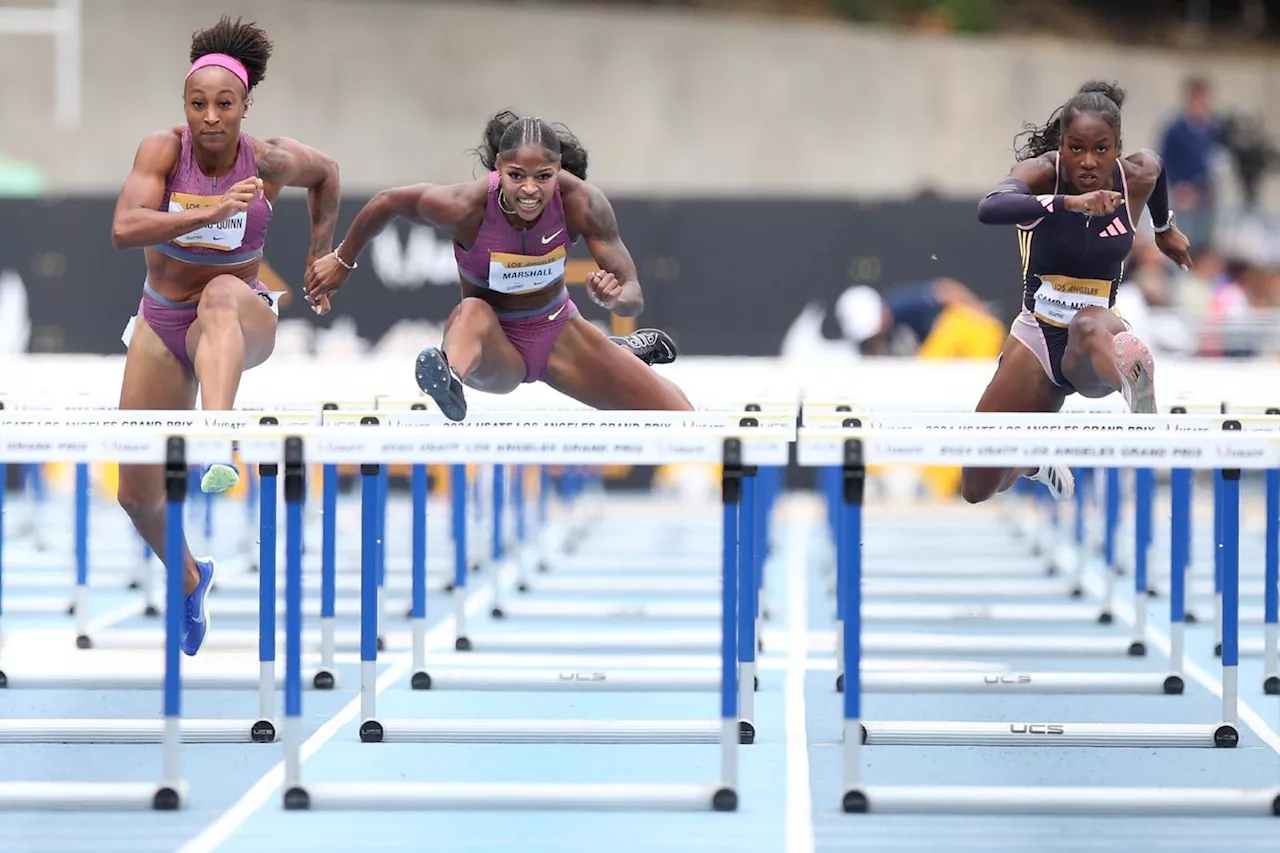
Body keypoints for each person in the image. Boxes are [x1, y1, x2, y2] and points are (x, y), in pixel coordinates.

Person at [110, 16, 340, 655]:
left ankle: (218, 439)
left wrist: (321, 257)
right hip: (161, 317)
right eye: (197, 104)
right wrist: (213, 209)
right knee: (135, 493)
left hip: (241, 315)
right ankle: (190, 578)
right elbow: (125, 228)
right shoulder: (162, 151)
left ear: (245, 105)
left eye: (224, 104)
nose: (210, 117)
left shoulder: (270, 160)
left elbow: (329, 175)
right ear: (184, 106)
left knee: (218, 294)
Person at [304, 111, 689, 420]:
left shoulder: (582, 203)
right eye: (516, 176)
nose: (529, 190)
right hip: (495, 347)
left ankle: (614, 348)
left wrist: (616, 299)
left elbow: (634, 295)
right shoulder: (465, 206)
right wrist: (342, 260)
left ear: (560, 171)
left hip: (558, 333)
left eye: (544, 177)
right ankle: (449, 377)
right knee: (471, 311)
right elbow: (387, 202)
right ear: (498, 169)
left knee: (683, 417)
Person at [962, 80, 1193, 504]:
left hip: (1097, 335)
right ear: (1062, 146)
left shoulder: (1136, 176)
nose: (1087, 162)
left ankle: (1138, 399)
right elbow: (990, 207)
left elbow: (1157, 168)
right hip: (1036, 337)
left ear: (1118, 147)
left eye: (1101, 149)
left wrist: (1164, 229)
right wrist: (1069, 203)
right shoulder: (1043, 174)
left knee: (1088, 327)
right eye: (1076, 148)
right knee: (976, 487)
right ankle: (1034, 460)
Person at [835, 278, 1005, 358]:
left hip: (976, 332)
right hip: (955, 353)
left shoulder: (901, 303)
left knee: (927, 365)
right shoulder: (871, 339)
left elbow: (946, 289)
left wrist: (980, 309)